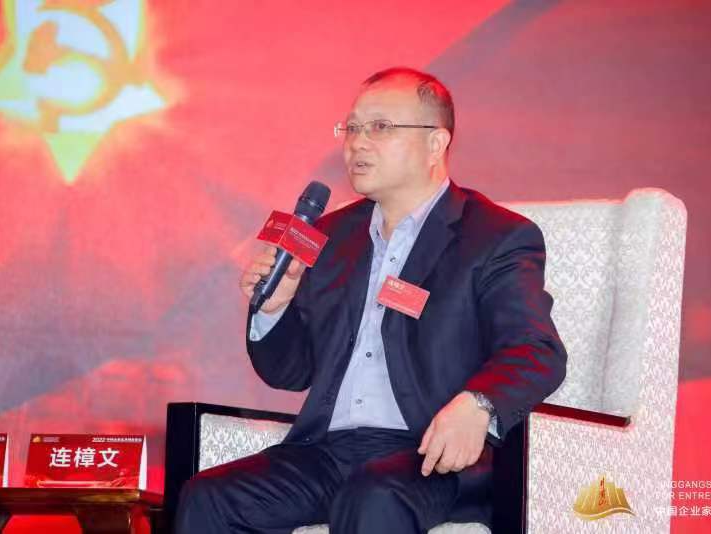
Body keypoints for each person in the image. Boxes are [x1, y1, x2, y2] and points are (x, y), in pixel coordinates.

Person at [175, 67, 567, 534]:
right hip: (327, 452)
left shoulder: (494, 236)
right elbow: (290, 372)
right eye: (352, 128)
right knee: (209, 497)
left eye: (380, 127)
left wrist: (477, 404)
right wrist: (275, 309)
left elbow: (536, 350)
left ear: (435, 143)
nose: (357, 143)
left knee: (372, 496)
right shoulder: (330, 235)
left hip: (431, 454)